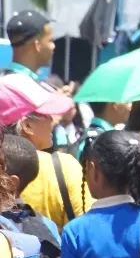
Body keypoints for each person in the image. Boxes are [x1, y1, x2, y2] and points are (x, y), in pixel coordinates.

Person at [0, 73, 91, 231]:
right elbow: (88, 230)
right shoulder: (64, 167)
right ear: (27, 126)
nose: (52, 118)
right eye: (46, 113)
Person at [4, 11, 56, 87]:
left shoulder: (5, 83)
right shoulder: (35, 92)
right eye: (50, 41)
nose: (53, 46)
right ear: (37, 45)